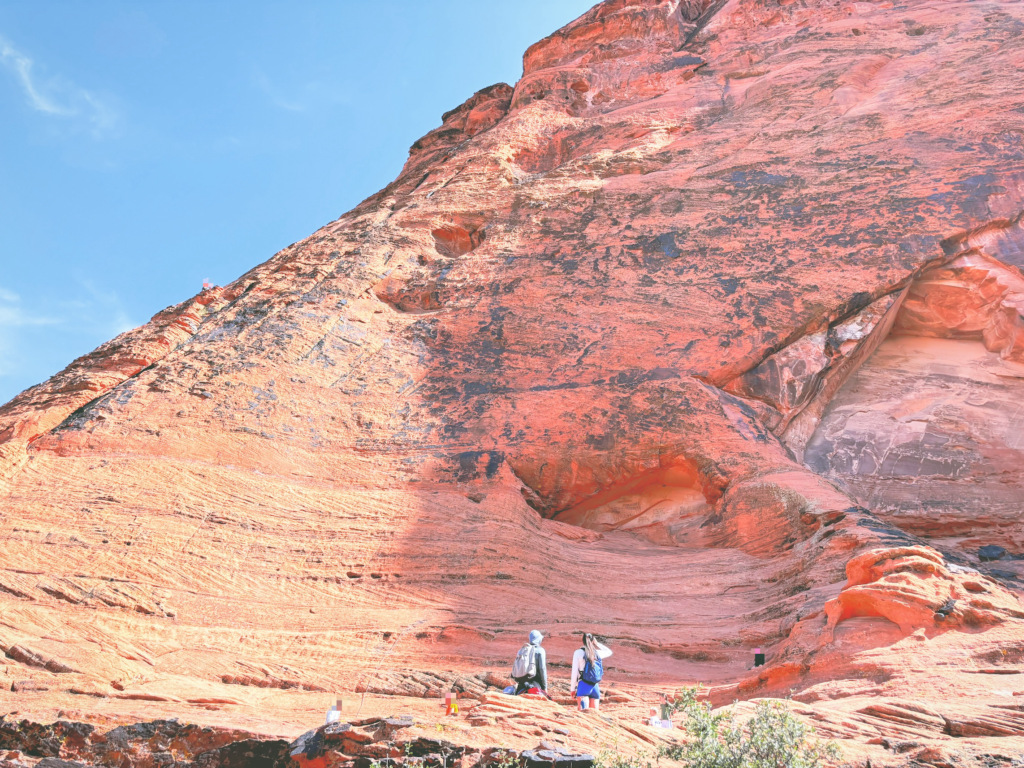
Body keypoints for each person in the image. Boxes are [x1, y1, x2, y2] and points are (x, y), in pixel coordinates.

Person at [570, 633, 612, 710]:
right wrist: (596, 643)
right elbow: (609, 652)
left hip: (583, 685)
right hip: (595, 686)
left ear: (582, 641)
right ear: (592, 641)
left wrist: (572, 689)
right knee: (594, 715)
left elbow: (574, 673)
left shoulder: (578, 652)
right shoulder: (597, 653)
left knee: (583, 715)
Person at [512, 630, 548, 695]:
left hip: (522, 684)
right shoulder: (540, 650)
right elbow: (542, 669)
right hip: (535, 684)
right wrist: (544, 687)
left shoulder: (523, 650)